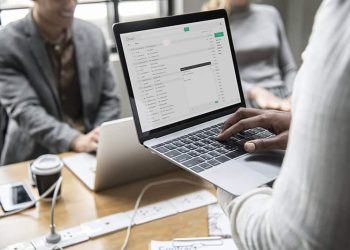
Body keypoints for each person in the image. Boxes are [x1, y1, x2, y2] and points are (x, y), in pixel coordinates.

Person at [216, 0, 350, 248]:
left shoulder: (339, 20)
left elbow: (288, 242)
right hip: (253, 102)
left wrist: (226, 183)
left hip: (283, 100)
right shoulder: (215, 18)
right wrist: (298, 121)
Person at [0, 0, 120, 165]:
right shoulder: (7, 43)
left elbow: (110, 99)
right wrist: (75, 140)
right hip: (34, 156)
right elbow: (25, 109)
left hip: (92, 151)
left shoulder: (93, 35)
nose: (70, 4)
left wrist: (98, 136)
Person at [202, 0, 297, 111]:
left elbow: (289, 68)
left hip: (282, 99)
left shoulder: (271, 14)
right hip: (245, 102)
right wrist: (254, 92)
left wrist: (293, 97)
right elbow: (217, 77)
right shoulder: (214, 20)